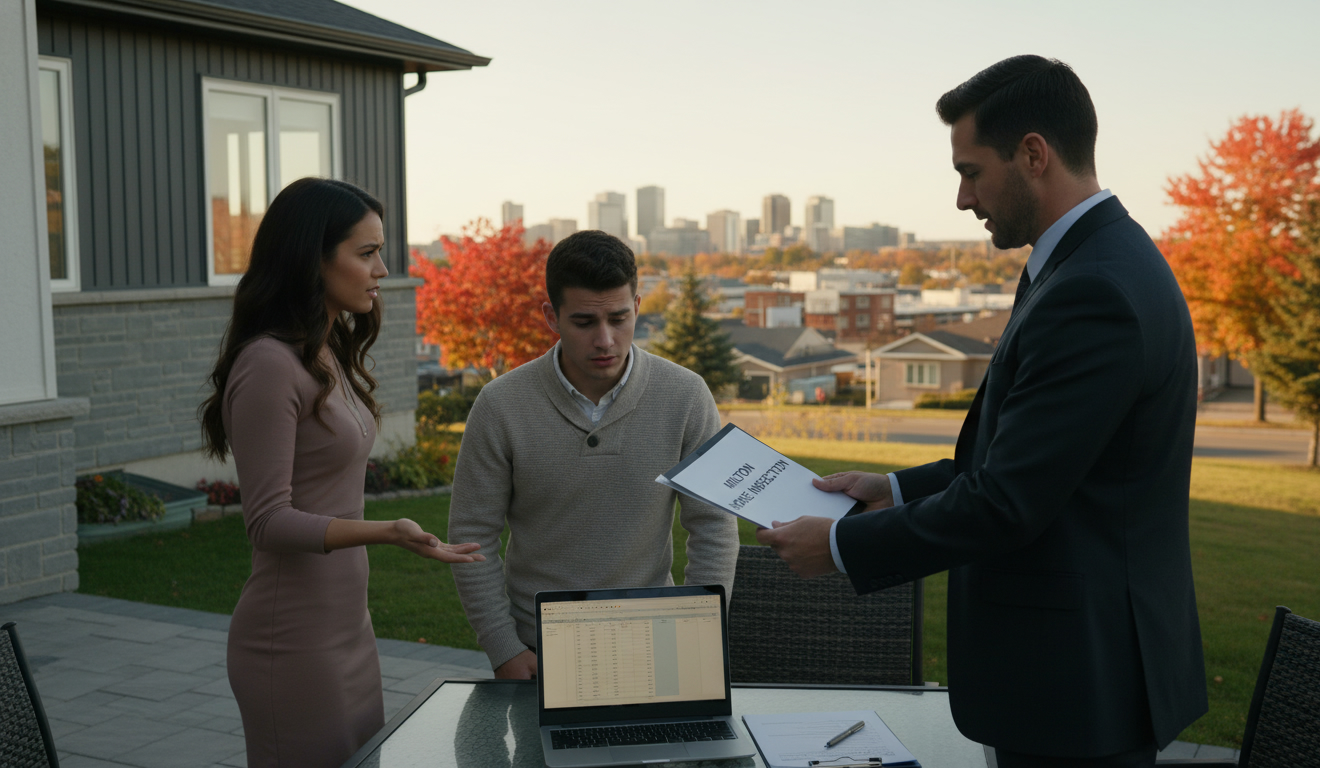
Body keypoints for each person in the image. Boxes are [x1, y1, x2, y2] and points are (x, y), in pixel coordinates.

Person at [757, 56, 1207, 767]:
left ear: (1033, 154)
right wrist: (894, 488)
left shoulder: (1094, 291)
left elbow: (1007, 502)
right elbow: (1022, 459)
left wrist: (842, 547)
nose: (964, 200)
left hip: (1080, 686)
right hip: (1069, 674)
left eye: (970, 171)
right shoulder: (1088, 264)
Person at [199, 177, 485, 768]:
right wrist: (388, 531)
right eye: (366, 253)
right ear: (313, 258)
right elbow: (269, 522)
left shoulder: (324, 350)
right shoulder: (270, 365)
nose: (382, 269)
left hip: (347, 629)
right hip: (293, 642)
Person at [449, 230, 740, 679]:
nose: (605, 339)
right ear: (552, 316)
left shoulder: (685, 395)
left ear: (638, 308)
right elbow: (472, 535)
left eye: (619, 318)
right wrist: (502, 647)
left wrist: (696, 635)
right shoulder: (501, 404)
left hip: (656, 642)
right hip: (538, 650)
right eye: (585, 322)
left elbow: (714, 526)